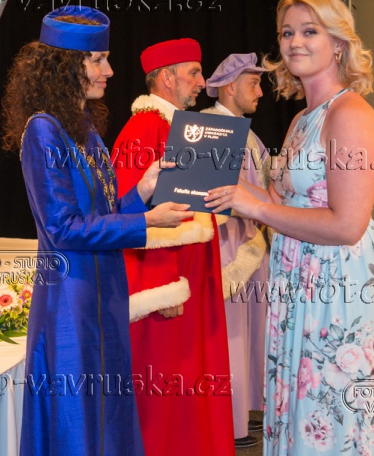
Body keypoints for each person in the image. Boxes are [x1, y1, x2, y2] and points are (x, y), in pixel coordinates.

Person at [208, 0, 374, 454]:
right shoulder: (302, 119)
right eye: (287, 32)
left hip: (343, 287)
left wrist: (256, 207)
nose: (295, 41)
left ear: (338, 44)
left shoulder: (350, 113)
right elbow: (280, 201)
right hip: (299, 279)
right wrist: (220, 189)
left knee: (336, 422)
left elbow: (347, 224)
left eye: (309, 31)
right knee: (303, 414)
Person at [0, 6, 190, 456]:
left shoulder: (83, 127)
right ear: (66, 66)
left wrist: (142, 191)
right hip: (70, 302)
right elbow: (63, 229)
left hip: (104, 296)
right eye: (98, 60)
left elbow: (103, 213)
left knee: (108, 419)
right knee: (78, 423)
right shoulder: (43, 131)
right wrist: (146, 222)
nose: (110, 71)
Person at [111, 38, 235, 456]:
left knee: (189, 387)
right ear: (166, 77)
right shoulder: (146, 128)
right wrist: (160, 288)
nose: (203, 82)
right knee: (167, 394)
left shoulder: (180, 128)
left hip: (189, 279)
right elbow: (130, 215)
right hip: (167, 291)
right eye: (194, 73)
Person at [201, 52, 270, 450]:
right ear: (230, 87)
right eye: (253, 84)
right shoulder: (213, 129)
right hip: (228, 249)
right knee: (230, 336)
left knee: (247, 334)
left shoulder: (246, 133)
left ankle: (242, 414)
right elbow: (212, 198)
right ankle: (228, 424)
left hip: (249, 245)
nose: (259, 92)